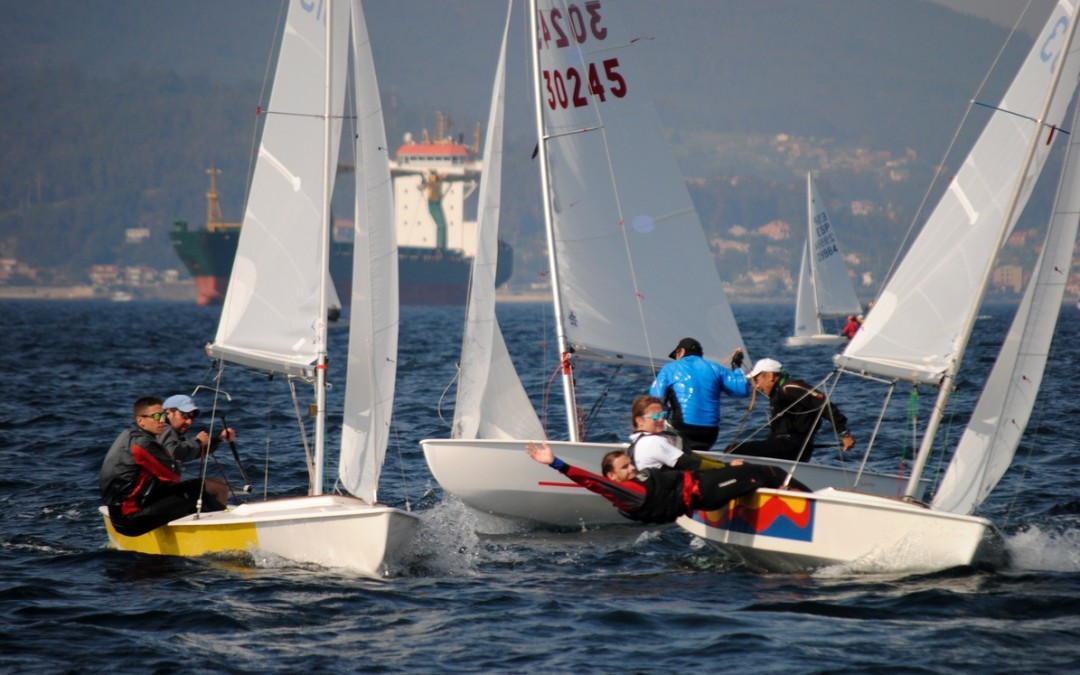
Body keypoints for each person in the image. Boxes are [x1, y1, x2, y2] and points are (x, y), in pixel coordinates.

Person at [525, 441, 803, 525]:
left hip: (703, 485)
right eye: (625, 467)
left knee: (762, 476)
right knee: (769, 472)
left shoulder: (634, 482)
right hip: (704, 492)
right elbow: (590, 481)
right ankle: (814, 505)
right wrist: (555, 463)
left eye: (631, 463)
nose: (632, 468)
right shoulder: (624, 492)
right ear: (612, 477)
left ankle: (790, 504)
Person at [100, 396, 226, 537]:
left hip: (119, 515)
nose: (162, 420)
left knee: (194, 489)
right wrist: (194, 445)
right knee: (204, 489)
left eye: (163, 416)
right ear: (140, 421)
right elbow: (173, 476)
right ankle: (221, 533)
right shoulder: (143, 444)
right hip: (131, 520)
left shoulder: (129, 436)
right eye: (157, 416)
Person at [729, 358, 855, 462]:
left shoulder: (790, 387)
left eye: (757, 380)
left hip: (794, 445)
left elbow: (825, 406)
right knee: (734, 449)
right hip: (782, 444)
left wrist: (844, 433)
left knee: (735, 450)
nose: (756, 386)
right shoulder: (776, 393)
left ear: (770, 375)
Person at [648, 337, 750, 452]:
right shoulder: (716, 368)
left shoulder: (669, 368)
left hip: (683, 430)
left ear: (681, 352)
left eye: (676, 355)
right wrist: (736, 366)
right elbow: (742, 390)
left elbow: (655, 398)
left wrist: (667, 406)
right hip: (710, 433)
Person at [627, 394, 736, 472]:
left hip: (669, 489)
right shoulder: (652, 441)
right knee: (744, 471)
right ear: (639, 421)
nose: (661, 420)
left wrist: (723, 464)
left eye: (663, 415)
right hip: (669, 496)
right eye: (655, 417)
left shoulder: (639, 440)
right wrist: (728, 467)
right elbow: (692, 463)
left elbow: (692, 456)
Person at [159, 394, 233, 506]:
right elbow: (175, 452)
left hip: (166, 491)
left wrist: (219, 438)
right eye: (185, 415)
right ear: (169, 413)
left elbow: (191, 451)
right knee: (220, 487)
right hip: (161, 495)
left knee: (216, 485)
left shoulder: (173, 434)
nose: (189, 422)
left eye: (191, 417)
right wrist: (198, 442)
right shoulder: (164, 428)